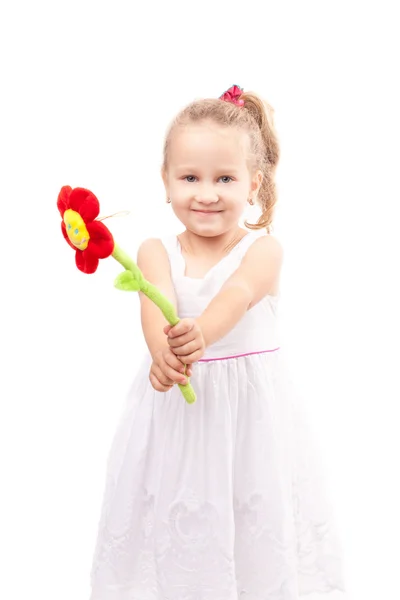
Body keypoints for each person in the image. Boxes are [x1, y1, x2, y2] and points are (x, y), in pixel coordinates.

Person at [89, 85, 346, 599]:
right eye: (190, 177)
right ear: (166, 182)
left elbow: (238, 292)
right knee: (173, 518)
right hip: (174, 417)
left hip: (248, 421)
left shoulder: (264, 249)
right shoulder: (155, 248)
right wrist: (163, 354)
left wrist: (201, 332)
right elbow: (153, 300)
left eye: (224, 178)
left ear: (254, 184)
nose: (206, 193)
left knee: (252, 517)